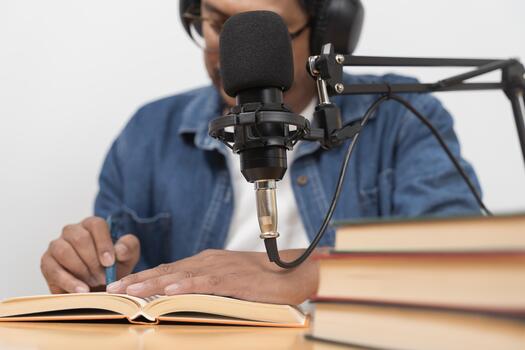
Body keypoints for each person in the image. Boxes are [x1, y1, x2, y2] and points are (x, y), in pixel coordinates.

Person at [40, 0, 481, 305]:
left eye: (259, 34)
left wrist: (311, 275)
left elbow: (464, 265)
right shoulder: (148, 131)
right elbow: (117, 286)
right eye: (217, 25)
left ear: (328, 35)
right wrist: (92, 274)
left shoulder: (400, 115)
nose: (231, 58)